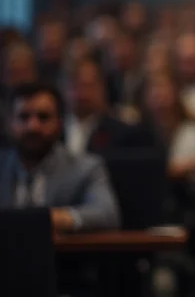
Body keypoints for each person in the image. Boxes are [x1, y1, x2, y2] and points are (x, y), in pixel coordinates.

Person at [0, 83, 121, 232]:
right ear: (9, 124)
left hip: (61, 254)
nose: (33, 126)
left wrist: (51, 219)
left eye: (43, 117)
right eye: (24, 117)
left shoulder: (85, 168)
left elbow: (108, 215)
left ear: (59, 123)